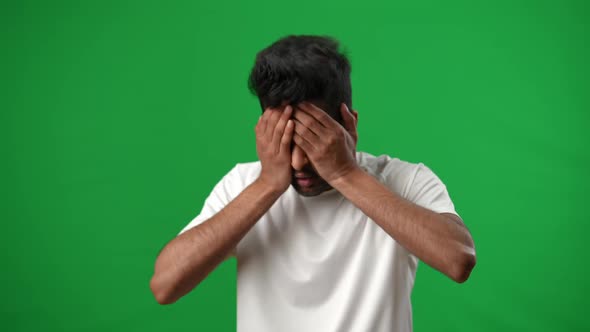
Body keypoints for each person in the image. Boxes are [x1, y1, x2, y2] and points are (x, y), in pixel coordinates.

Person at [149, 35, 476, 332]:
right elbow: (165, 284)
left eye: (314, 142)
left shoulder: (405, 179)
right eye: (286, 143)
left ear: (349, 123)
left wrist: (344, 174)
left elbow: (458, 259)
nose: (298, 163)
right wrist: (267, 185)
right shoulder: (243, 184)